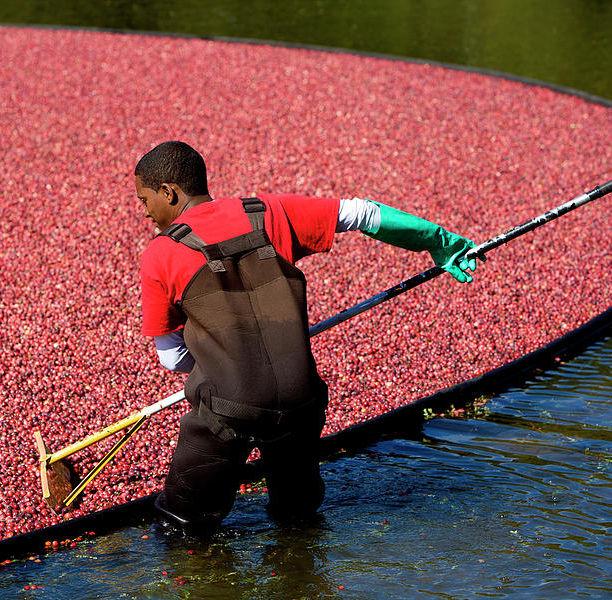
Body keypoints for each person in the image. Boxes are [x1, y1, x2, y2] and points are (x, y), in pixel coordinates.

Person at [136, 141, 478, 533]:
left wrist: (226, 357)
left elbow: (172, 359)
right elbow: (365, 214)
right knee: (297, 518)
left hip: (227, 409)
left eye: (144, 199)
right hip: (302, 401)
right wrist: (439, 242)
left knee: (180, 525)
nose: (145, 211)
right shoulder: (266, 212)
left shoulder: (160, 253)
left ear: (169, 193)